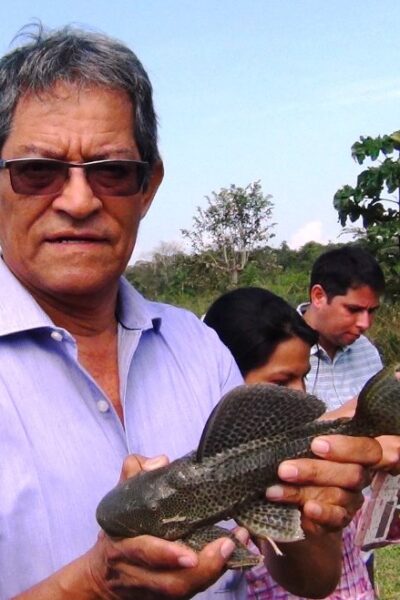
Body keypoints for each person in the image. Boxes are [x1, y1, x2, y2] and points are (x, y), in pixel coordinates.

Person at [0, 25, 387, 600]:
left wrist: (314, 506)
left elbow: (310, 578)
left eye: (112, 170)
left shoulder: (198, 345)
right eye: (37, 170)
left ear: (148, 185)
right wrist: (95, 584)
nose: (78, 201)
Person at [204, 286, 379, 599]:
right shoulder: (221, 484)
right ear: (227, 382)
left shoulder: (311, 452)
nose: (300, 394)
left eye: (303, 377)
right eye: (281, 382)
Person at [298, 245, 387, 595]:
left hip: (357, 526)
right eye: (353, 310)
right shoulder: (280, 346)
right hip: (304, 536)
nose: (364, 324)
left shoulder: (367, 352)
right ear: (319, 296)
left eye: (371, 312)